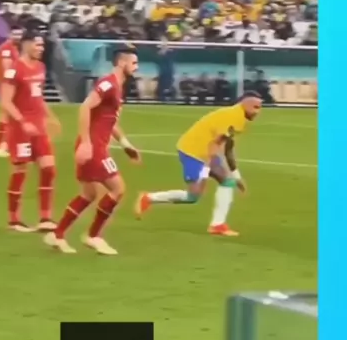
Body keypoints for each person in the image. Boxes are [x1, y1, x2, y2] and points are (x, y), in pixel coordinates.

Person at [45, 46, 141, 255]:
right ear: (122, 62)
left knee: (88, 194)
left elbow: (110, 121)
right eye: (134, 63)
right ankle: (93, 236)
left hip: (94, 145)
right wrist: (87, 143)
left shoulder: (118, 87)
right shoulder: (108, 84)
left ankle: (57, 234)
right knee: (117, 189)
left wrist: (125, 144)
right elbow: (85, 107)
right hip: (94, 148)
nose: (137, 67)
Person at [135, 92, 262, 237]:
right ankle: (149, 198)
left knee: (226, 182)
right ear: (244, 104)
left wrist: (236, 176)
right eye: (255, 107)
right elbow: (216, 144)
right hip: (193, 151)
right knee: (194, 195)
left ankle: (218, 225)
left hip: (205, 151)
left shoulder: (238, 117)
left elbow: (228, 148)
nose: (258, 112)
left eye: (259, 108)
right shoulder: (234, 117)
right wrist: (207, 168)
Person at [0, 28, 61, 232]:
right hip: (21, 130)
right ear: (26, 44)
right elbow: (6, 101)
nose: (41, 48)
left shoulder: (41, 67)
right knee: (20, 171)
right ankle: (14, 220)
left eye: (42, 45)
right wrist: (22, 121)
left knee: (49, 169)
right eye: (37, 44)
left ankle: (45, 218)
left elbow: (38, 97)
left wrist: (51, 116)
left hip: (39, 128)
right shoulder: (14, 70)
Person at [0, 26, 22, 158]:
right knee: (5, 115)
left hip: (14, 85)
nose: (18, 37)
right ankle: (1, 146)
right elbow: (7, 68)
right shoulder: (6, 48)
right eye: (15, 34)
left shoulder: (17, 48)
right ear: (10, 35)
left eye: (20, 34)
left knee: (10, 115)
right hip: (8, 85)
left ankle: (6, 145)